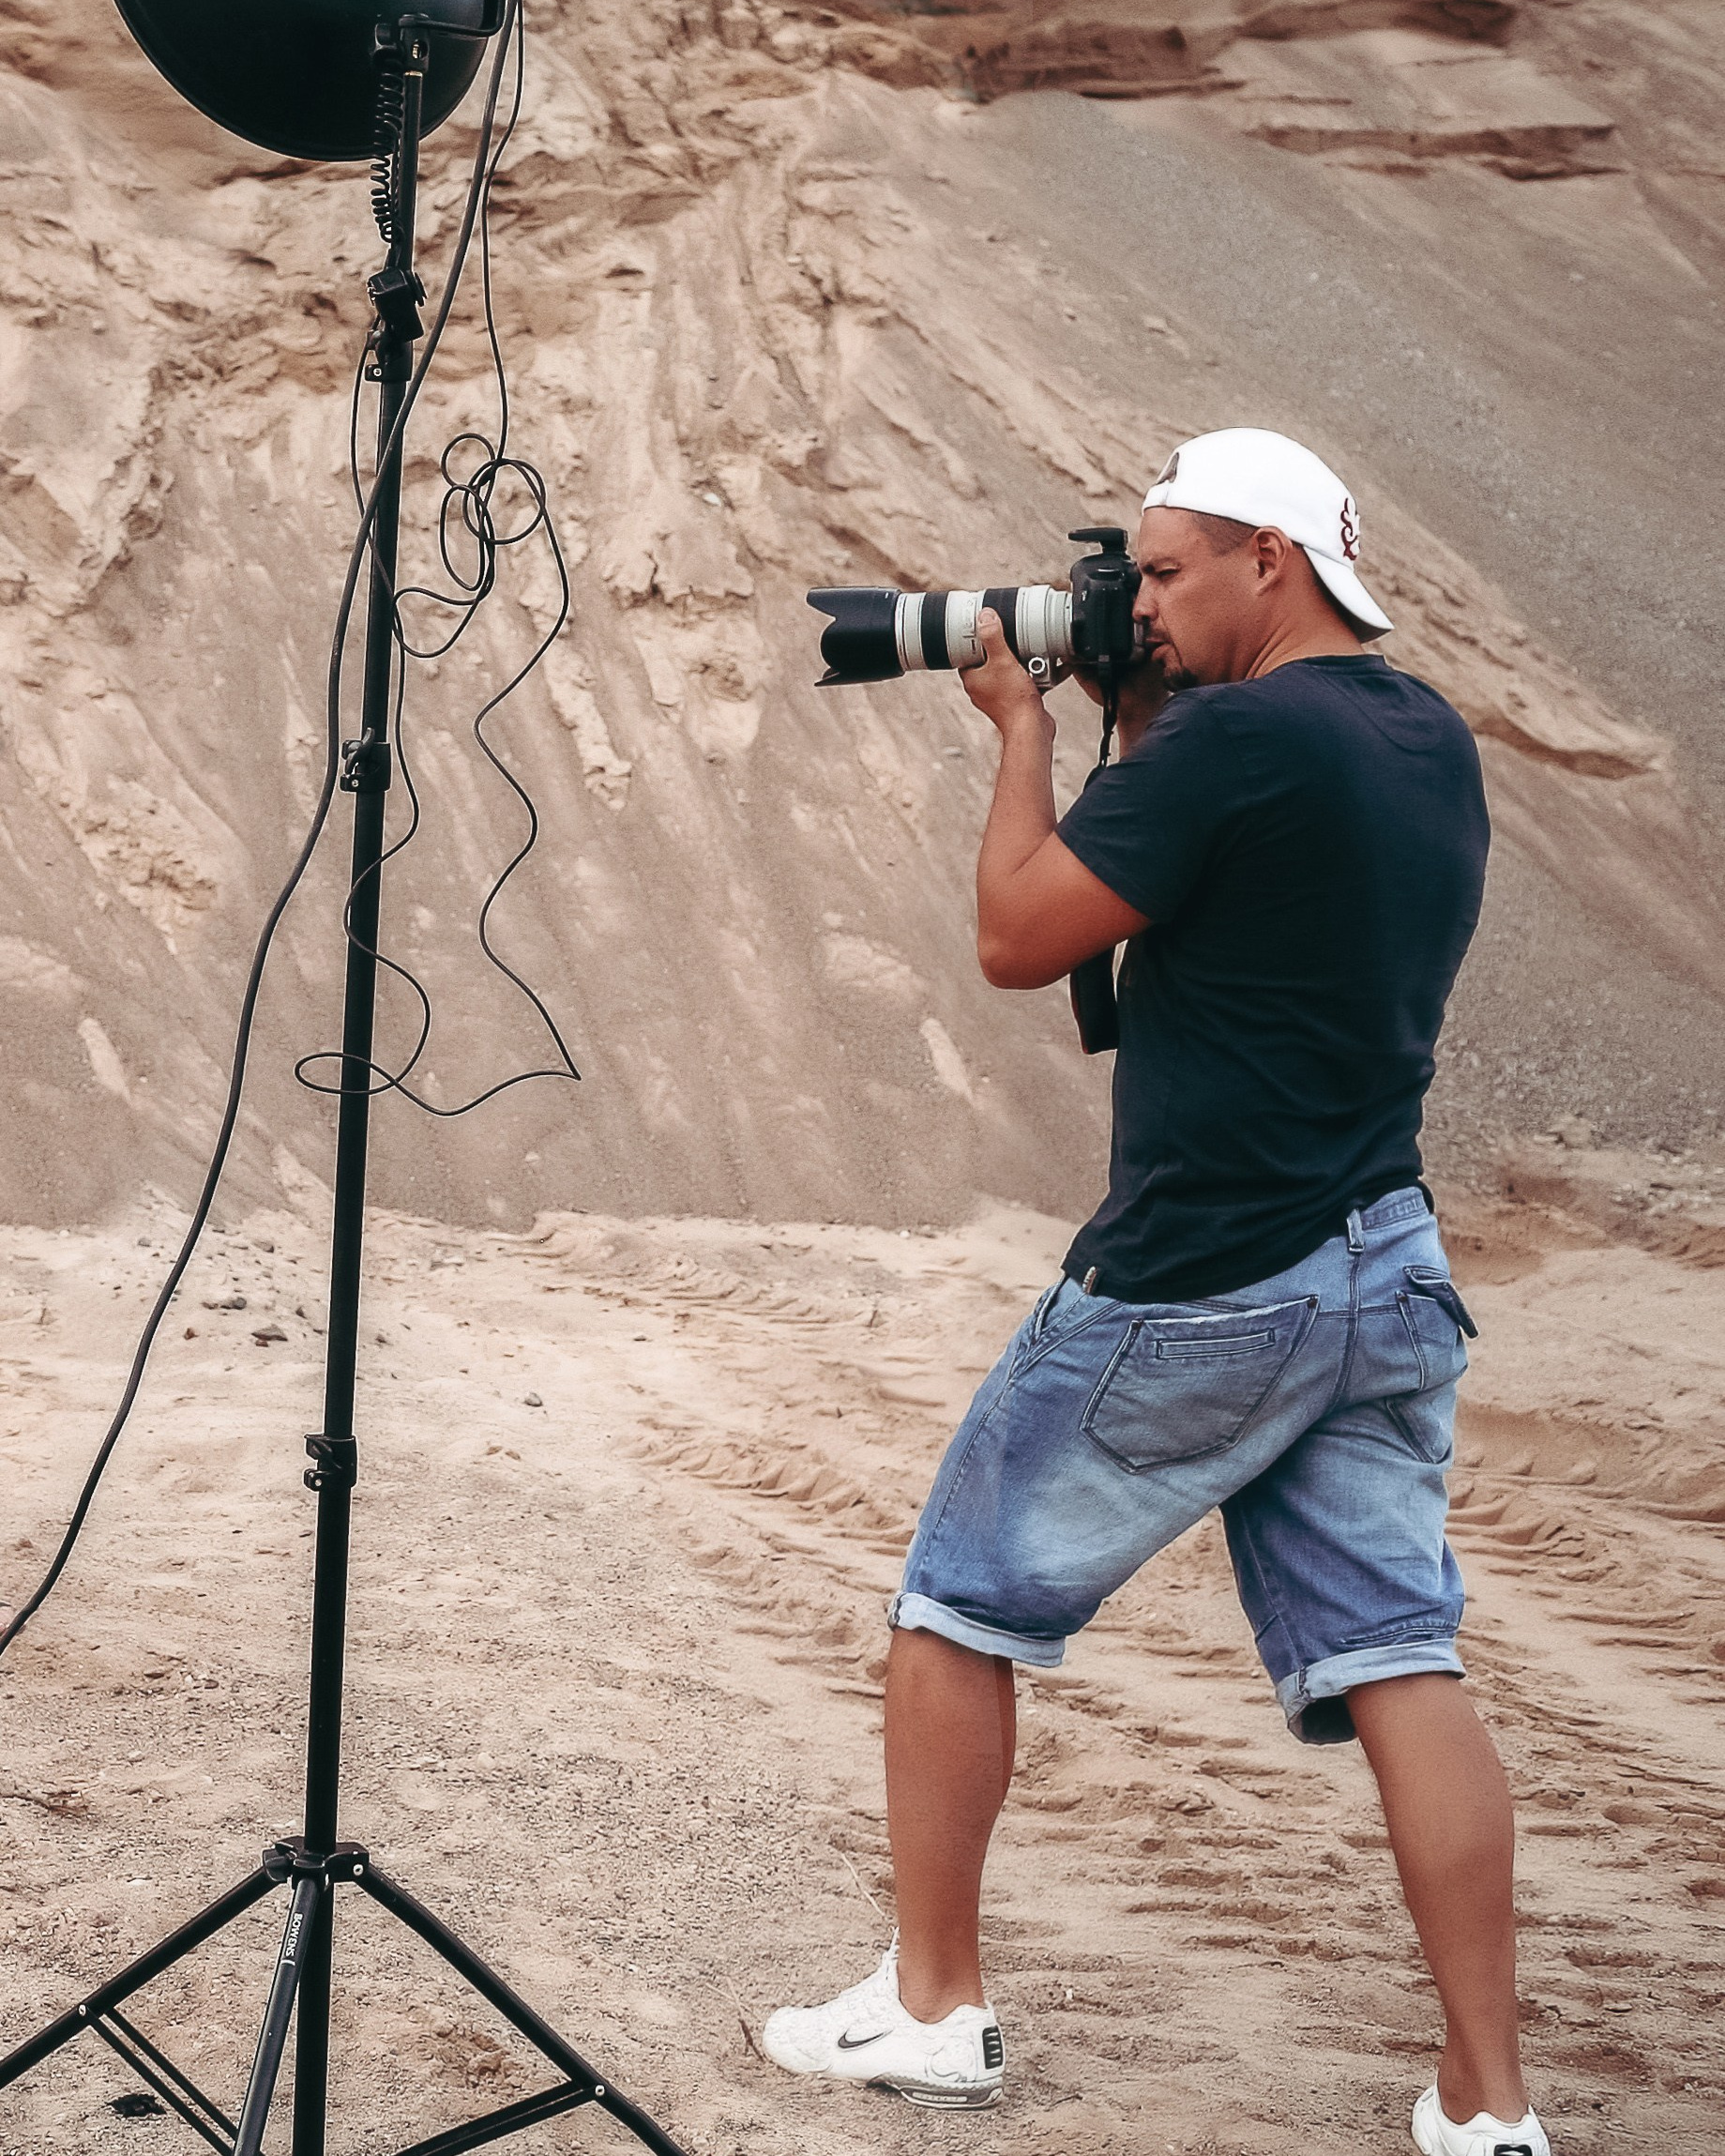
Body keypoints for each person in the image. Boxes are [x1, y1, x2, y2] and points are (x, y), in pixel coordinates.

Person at [763, 429, 1547, 2156]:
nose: (1143, 604)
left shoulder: (1241, 741)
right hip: (1382, 1263)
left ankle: (931, 2006)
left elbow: (1020, 934)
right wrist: (1142, 719)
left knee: (953, 1607)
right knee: (1404, 1657)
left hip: (1201, 1271)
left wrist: (1028, 733)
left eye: (1168, 571)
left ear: (1275, 559)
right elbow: (1239, 913)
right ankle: (1490, 2108)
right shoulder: (1424, 735)